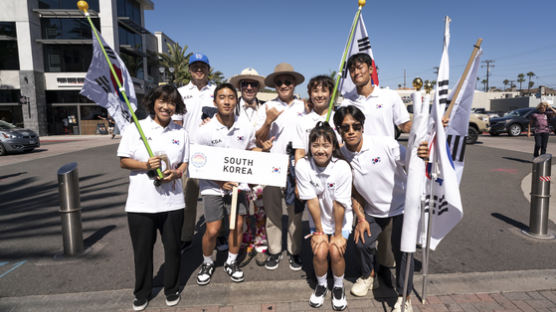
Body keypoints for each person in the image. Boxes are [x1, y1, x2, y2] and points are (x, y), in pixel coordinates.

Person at [333, 106, 428, 312]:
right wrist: (361, 217)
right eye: (345, 127)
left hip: (401, 208)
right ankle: (369, 276)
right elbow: (353, 189)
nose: (351, 131)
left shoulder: (385, 144)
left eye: (356, 126)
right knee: (362, 242)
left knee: (403, 253)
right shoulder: (341, 155)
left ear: (362, 126)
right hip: (373, 211)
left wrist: (421, 153)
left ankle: (405, 297)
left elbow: (412, 161)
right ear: (338, 129)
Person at [117, 85, 189, 311]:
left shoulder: (181, 133)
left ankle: (171, 288)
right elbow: (123, 160)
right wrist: (145, 165)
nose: (167, 106)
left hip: (173, 202)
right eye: (162, 101)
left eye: (171, 103)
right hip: (141, 203)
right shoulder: (135, 128)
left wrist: (176, 173)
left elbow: (184, 163)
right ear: (153, 103)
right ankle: (142, 292)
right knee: (142, 251)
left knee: (172, 249)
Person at [340, 52, 412, 278]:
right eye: (352, 69)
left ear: (371, 69)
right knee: (364, 232)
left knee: (388, 240)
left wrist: (433, 125)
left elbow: (407, 125)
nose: (356, 72)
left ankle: (384, 273)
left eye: (360, 67)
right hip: (359, 170)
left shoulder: (389, 97)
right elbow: (339, 131)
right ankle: (369, 275)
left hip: (388, 168)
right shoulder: (347, 101)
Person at [195, 83, 272, 286]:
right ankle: (207, 262)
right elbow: (198, 161)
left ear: (235, 101)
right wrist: (220, 181)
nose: (227, 101)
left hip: (238, 187)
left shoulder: (245, 127)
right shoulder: (204, 130)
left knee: (238, 226)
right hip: (212, 186)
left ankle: (231, 262)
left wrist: (263, 150)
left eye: (230, 97)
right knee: (212, 229)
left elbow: (249, 152)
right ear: (215, 101)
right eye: (222, 97)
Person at [295, 122, 352, 311]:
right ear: (310, 147)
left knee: (335, 250)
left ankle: (338, 286)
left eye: (326, 145)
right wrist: (319, 231)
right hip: (318, 217)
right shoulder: (302, 165)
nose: (320, 150)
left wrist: (337, 234)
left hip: (340, 217)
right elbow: (311, 201)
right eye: (316, 145)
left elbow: (339, 204)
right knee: (320, 251)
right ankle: (321, 285)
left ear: (334, 147)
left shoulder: (342, 167)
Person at [255, 62, 306, 271]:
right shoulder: (266, 107)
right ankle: (275, 251)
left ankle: (295, 251)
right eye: (280, 82)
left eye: (288, 81)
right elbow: (258, 138)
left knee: (295, 212)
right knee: (273, 211)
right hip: (272, 164)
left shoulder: (304, 106)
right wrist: (268, 122)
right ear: (275, 86)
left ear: (294, 84)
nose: (284, 85)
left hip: (297, 164)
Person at [173, 53, 217, 253]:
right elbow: (176, 124)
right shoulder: (180, 92)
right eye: (195, 67)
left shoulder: (217, 91)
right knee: (188, 199)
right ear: (189, 70)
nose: (199, 70)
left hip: (213, 152)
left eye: (203, 66)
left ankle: (220, 233)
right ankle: (185, 236)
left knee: (216, 196)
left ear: (209, 69)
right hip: (189, 153)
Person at [230, 67, 269, 266]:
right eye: (245, 83)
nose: (249, 87)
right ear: (240, 86)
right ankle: (245, 242)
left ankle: (260, 244)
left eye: (253, 84)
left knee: (261, 209)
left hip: (260, 164)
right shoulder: (230, 108)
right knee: (242, 210)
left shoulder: (265, 108)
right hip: (237, 167)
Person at [293, 75, 340, 162]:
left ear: (331, 93)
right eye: (315, 91)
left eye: (324, 91)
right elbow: (300, 153)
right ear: (309, 94)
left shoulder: (339, 119)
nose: (319, 95)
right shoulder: (302, 121)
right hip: (310, 172)